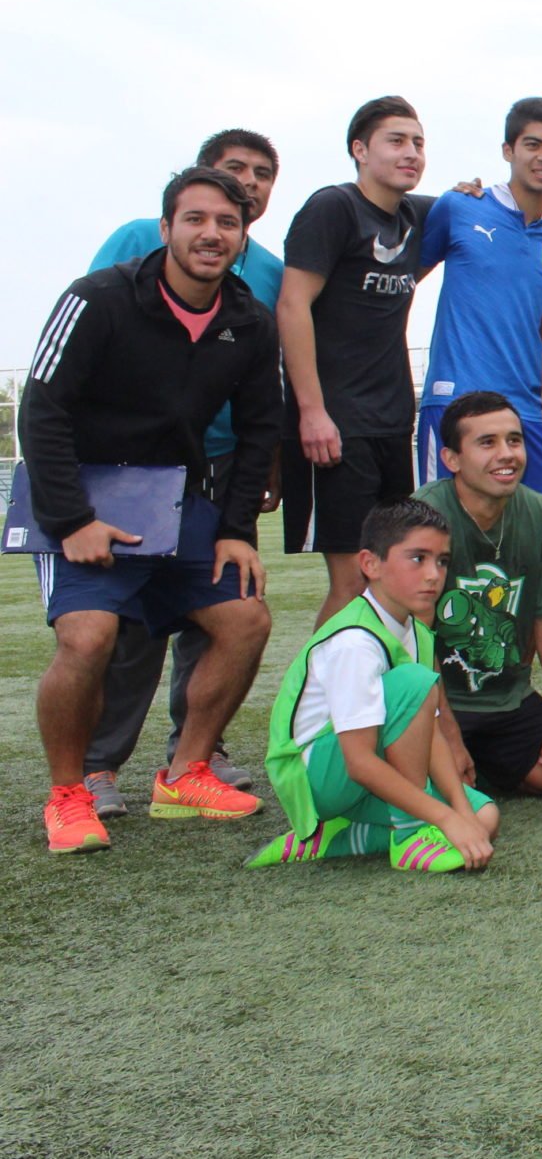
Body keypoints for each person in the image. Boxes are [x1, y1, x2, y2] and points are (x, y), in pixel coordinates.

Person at [26, 167, 279, 853]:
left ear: (242, 237)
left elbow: (260, 430)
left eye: (227, 223)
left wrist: (234, 530)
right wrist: (72, 518)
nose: (211, 234)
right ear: (165, 228)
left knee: (246, 618)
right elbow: (41, 407)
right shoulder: (99, 298)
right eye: (195, 219)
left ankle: (185, 771)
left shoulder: (249, 321)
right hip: (82, 494)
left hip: (174, 499)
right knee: (87, 637)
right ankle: (69, 793)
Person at [82, 128, 283, 815]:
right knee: (131, 621)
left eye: (260, 175)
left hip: (218, 466)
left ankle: (195, 754)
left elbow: (263, 397)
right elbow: (82, 352)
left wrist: (262, 473)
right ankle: (99, 764)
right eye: (234, 171)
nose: (248, 183)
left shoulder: (266, 274)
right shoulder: (131, 248)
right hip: (130, 468)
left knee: (221, 613)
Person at [249, 500, 500, 872]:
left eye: (442, 561)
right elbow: (360, 762)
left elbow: (428, 731)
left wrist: (463, 814)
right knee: (413, 681)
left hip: (367, 767)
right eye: (418, 559)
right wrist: (445, 820)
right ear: (370, 564)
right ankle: (409, 836)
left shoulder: (415, 629)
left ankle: (340, 838)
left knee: (485, 816)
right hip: (318, 778)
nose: (433, 574)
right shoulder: (355, 641)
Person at [276, 96, 434, 627]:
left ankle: (382, 699)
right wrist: (312, 411)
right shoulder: (333, 207)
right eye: (396, 140)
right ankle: (315, 706)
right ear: (359, 150)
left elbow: (498, 204)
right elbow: (292, 305)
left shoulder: (415, 215)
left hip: (391, 421)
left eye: (418, 142)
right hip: (336, 424)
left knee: (395, 577)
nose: (411, 152)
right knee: (353, 581)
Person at [414, 392, 542, 800]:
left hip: (506, 699)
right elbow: (415, 634)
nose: (507, 454)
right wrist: (449, 733)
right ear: (451, 459)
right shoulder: (424, 517)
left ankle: (484, 767)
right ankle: (460, 764)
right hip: (438, 701)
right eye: (487, 443)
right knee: (441, 795)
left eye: (514, 440)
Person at [414, 97, 542, 505]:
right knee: (443, 536)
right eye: (533, 145)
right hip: (455, 402)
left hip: (525, 410)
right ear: (509, 151)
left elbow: (530, 326)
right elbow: (403, 283)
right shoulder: (461, 206)